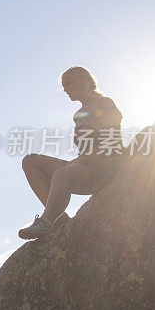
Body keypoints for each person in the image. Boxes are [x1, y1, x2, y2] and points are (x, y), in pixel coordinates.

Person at [19, 66, 124, 239]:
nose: (66, 89)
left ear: (83, 80)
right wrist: (80, 159)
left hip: (105, 167)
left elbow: (111, 140)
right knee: (30, 162)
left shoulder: (104, 103)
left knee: (61, 174)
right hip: (84, 164)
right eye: (63, 86)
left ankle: (47, 221)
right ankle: (58, 218)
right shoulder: (79, 113)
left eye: (68, 84)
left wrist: (83, 159)